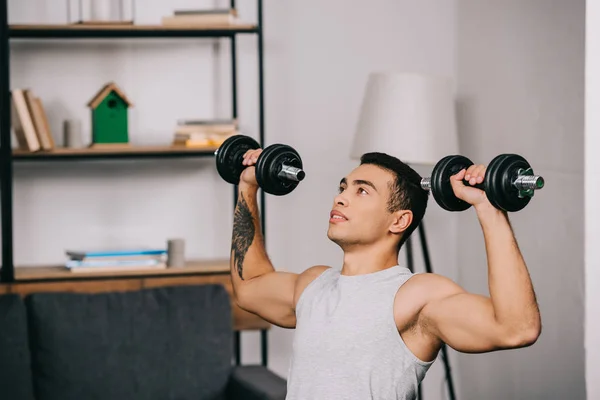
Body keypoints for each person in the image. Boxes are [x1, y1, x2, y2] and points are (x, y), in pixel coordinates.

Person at [229, 148, 541, 400]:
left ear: (399, 221)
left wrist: (488, 208)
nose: (341, 197)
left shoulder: (416, 295)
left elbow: (516, 329)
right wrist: (247, 186)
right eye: (343, 187)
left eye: (362, 191)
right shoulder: (313, 285)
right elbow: (249, 286)